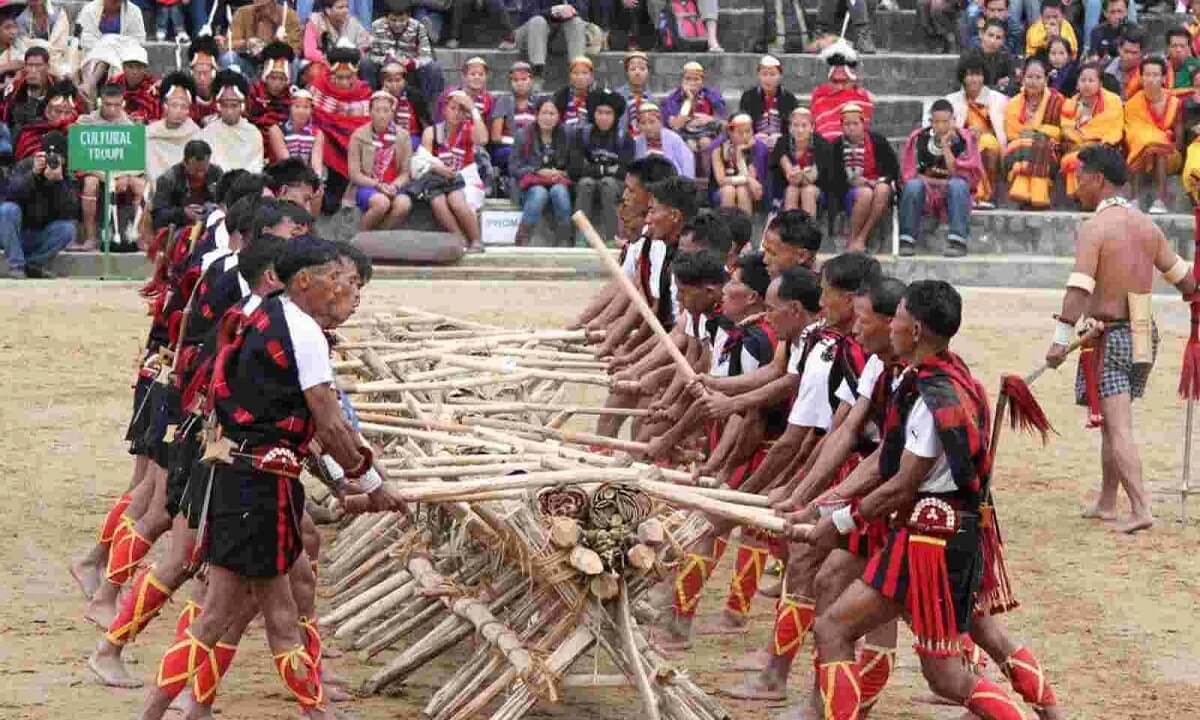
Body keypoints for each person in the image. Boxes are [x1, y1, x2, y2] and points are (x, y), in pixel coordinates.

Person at [137, 237, 404, 720]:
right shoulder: (301, 332)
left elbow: (297, 425)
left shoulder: (263, 314)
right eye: (334, 279)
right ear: (305, 280)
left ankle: (173, 712)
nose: (342, 291)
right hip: (258, 488)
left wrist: (348, 484)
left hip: (241, 478)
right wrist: (370, 485)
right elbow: (328, 423)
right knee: (252, 619)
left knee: (239, 614)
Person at [797, 280, 1032, 720]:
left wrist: (840, 521)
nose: (890, 329)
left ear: (916, 329)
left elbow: (901, 484)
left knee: (834, 628)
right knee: (948, 675)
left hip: (929, 543)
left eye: (898, 318)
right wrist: (823, 502)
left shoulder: (930, 393)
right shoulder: (945, 377)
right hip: (939, 535)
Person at [1046, 144, 1197, 534]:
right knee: (1116, 418)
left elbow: (1079, 290)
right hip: (1144, 327)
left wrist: (1061, 339)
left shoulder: (1095, 228)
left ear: (1097, 179)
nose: (1076, 185)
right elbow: (1187, 280)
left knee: (1118, 424)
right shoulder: (1148, 226)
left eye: (1080, 177)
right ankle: (1108, 500)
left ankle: (1141, 507)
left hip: (1112, 331)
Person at [899, 99, 983, 258]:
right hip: (927, 192)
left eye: (946, 122)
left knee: (957, 186)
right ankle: (907, 240)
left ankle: (958, 242)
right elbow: (912, 173)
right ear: (930, 122)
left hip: (953, 191)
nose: (941, 126)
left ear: (954, 120)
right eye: (936, 122)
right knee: (912, 186)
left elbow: (960, 175)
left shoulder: (965, 139)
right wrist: (939, 182)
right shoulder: (919, 138)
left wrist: (945, 146)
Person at [77, 83, 147, 251]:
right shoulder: (85, 123)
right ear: (101, 102)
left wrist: (126, 176)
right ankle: (91, 237)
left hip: (122, 175)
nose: (113, 110)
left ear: (122, 103)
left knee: (142, 186)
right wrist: (106, 176)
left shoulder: (131, 127)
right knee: (90, 183)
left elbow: (138, 164)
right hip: (96, 174)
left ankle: (138, 236)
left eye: (117, 105)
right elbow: (81, 161)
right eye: (108, 105)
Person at [0, 130, 77, 278]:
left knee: (67, 229)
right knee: (7, 210)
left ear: (65, 159)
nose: (51, 161)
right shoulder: (26, 166)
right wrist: (33, 175)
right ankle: (16, 266)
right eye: (47, 156)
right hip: (15, 234)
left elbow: (71, 211)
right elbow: (11, 192)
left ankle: (32, 265)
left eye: (57, 157)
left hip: (41, 235)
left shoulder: (67, 175)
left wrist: (59, 183)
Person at [417, 89, 486, 251]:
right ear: (444, 109)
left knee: (456, 198)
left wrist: (473, 110)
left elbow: (482, 139)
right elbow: (424, 161)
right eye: (453, 108)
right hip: (438, 178)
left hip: (465, 178)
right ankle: (459, 238)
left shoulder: (469, 128)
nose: (457, 113)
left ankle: (476, 240)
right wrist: (439, 168)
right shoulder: (431, 132)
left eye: (462, 110)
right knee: (437, 201)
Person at [832, 103, 898, 252]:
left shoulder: (878, 141)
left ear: (863, 123)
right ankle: (853, 239)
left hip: (877, 185)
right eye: (847, 124)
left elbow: (892, 170)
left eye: (855, 123)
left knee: (881, 190)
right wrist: (851, 182)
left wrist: (875, 181)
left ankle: (861, 237)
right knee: (865, 193)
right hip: (850, 191)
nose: (851, 127)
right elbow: (833, 178)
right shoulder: (836, 146)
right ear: (841, 126)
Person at [310, 46, 373, 204]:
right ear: (331, 74)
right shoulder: (319, 87)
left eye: (349, 77)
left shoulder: (364, 92)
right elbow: (314, 118)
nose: (345, 82)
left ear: (356, 74)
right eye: (340, 77)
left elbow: (363, 125)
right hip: (326, 147)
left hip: (349, 151)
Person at [569, 89, 632, 244]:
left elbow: (625, 171)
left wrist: (594, 169)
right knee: (585, 183)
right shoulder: (582, 135)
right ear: (593, 113)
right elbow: (575, 170)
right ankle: (581, 238)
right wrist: (605, 170)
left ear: (615, 115)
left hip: (614, 186)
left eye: (608, 113)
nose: (604, 117)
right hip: (588, 183)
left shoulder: (624, 137)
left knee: (608, 184)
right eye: (600, 112)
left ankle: (613, 238)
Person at [948, 53, 1008, 208]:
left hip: (990, 143)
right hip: (962, 144)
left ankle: (986, 195)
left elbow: (1003, 130)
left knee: (987, 143)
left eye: (977, 75)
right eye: (969, 75)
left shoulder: (999, 99)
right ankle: (972, 194)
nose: (974, 79)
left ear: (984, 76)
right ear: (962, 77)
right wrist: (966, 134)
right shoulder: (951, 100)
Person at [1004, 57, 1065, 209]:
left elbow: (1061, 131)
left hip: (1049, 148)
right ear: (1022, 79)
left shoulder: (1058, 100)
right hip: (1018, 148)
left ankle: (1037, 193)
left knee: (1038, 141)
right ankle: (1023, 190)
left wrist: (1036, 131)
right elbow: (1011, 132)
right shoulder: (1014, 103)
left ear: (1046, 80)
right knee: (1027, 141)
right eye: (1029, 77)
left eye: (1038, 77)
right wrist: (1033, 133)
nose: (1033, 81)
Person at [348, 91, 414, 231]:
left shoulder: (403, 136)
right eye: (377, 110)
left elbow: (405, 172)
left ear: (392, 113)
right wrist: (377, 185)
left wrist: (395, 186)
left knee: (404, 204)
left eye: (386, 110)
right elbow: (355, 174)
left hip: (393, 186)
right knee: (381, 203)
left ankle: (380, 234)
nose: (382, 115)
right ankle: (360, 236)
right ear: (370, 112)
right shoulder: (358, 136)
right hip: (368, 185)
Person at [1124, 57, 1182, 214]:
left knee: (1159, 149)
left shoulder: (1174, 102)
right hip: (1142, 154)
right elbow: (1132, 134)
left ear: (1164, 78)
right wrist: (1151, 142)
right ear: (1141, 78)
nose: (1151, 79)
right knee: (1143, 144)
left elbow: (1179, 136)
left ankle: (1160, 200)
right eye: (1147, 75)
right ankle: (1134, 199)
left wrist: (1168, 147)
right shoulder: (1132, 104)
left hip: (1168, 155)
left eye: (1155, 75)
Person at [511, 97, 572, 245]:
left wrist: (562, 173)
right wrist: (537, 171)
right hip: (529, 185)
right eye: (544, 113)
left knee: (559, 192)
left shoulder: (568, 135)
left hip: (558, 182)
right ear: (537, 115)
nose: (548, 117)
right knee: (539, 193)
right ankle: (523, 237)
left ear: (559, 116)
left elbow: (575, 166)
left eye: (552, 113)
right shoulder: (523, 134)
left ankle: (564, 238)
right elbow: (513, 167)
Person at [1061, 62, 1124, 198]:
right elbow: (1067, 130)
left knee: (1080, 160)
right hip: (1077, 147)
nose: (1087, 84)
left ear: (1100, 83)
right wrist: (1081, 140)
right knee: (1073, 159)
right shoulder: (1069, 104)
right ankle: (1079, 197)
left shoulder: (1113, 101)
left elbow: (1115, 129)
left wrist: (1089, 139)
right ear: (1077, 84)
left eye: (1091, 80)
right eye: (1083, 80)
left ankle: (1085, 197)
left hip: (1103, 148)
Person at [661, 61, 726, 190]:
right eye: (688, 79)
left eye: (696, 79)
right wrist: (689, 99)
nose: (692, 82)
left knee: (705, 142)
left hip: (708, 132)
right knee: (689, 144)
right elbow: (676, 125)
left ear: (702, 81)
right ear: (682, 80)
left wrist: (709, 119)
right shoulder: (673, 99)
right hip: (683, 133)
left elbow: (723, 122)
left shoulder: (712, 96)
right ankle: (689, 183)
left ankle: (708, 184)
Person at [367, 0, 445, 102]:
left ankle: (430, 106)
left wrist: (412, 63)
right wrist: (385, 60)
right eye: (393, 20)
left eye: (402, 20)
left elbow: (427, 56)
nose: (398, 24)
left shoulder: (418, 27)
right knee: (366, 63)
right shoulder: (376, 26)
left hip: (410, 69)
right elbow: (371, 54)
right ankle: (369, 99)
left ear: (409, 17)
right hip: (384, 67)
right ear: (386, 18)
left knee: (434, 68)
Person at [269, 89, 327, 216]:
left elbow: (316, 162)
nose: (301, 111)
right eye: (297, 106)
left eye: (306, 107)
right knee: (296, 193)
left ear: (311, 110)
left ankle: (311, 227)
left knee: (318, 191)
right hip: (283, 175)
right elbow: (286, 160)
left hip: (306, 177)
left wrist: (316, 182)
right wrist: (301, 184)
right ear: (290, 108)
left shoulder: (317, 133)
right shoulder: (277, 130)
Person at [77, 0, 146, 103]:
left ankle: (90, 83)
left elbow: (138, 40)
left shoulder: (134, 11)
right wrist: (104, 45)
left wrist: (112, 43)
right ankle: (91, 109)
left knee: (109, 42)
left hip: (123, 54)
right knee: (99, 57)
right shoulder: (89, 10)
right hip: (93, 53)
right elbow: (85, 38)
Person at [199, 69, 266, 174]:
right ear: (218, 105)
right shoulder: (207, 134)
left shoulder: (253, 134)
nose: (229, 111)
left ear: (242, 105)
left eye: (234, 105)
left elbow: (255, 172)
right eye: (225, 105)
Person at [772, 107, 835, 215]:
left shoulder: (822, 145)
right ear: (790, 127)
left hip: (818, 189)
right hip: (789, 186)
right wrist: (793, 174)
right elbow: (791, 176)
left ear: (812, 127)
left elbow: (810, 178)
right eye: (795, 125)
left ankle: (808, 230)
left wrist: (798, 174)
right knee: (792, 190)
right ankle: (790, 230)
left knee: (807, 191)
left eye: (804, 125)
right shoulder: (782, 143)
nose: (800, 130)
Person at [146, 72, 202, 191]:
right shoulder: (149, 134)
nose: (178, 111)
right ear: (164, 105)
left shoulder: (197, 136)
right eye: (174, 105)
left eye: (183, 106)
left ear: (189, 109)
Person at [151, 140, 223, 230]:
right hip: (179, 228)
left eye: (204, 170)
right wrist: (183, 213)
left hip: (210, 225)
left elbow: (227, 203)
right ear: (185, 163)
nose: (200, 174)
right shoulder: (168, 179)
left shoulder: (216, 173)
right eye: (196, 170)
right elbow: (157, 217)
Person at [490, 61, 538, 196]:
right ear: (510, 82)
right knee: (511, 154)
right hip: (508, 148)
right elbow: (495, 136)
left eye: (524, 79)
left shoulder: (538, 101)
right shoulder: (503, 101)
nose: (520, 83)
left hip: (533, 149)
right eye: (515, 80)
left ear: (531, 80)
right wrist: (519, 143)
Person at [811, 42, 875, 143]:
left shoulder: (862, 98)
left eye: (844, 82)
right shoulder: (820, 96)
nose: (839, 87)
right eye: (835, 81)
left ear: (852, 80)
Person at [513, 0, 588, 81]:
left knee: (576, 22)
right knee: (538, 21)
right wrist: (553, 11)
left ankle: (578, 72)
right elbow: (528, 13)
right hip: (530, 34)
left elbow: (584, 11)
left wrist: (571, 10)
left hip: (558, 35)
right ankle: (537, 73)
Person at [226, 0, 303, 78]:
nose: (260, 10)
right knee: (228, 58)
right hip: (249, 62)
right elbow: (230, 44)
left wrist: (278, 44)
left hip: (278, 63)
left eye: (264, 6)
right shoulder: (242, 13)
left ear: (274, 3)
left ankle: (287, 88)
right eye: (257, 7)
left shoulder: (289, 16)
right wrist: (246, 44)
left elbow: (295, 50)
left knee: (294, 61)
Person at [711, 114, 767, 214]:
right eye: (740, 133)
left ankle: (745, 227)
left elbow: (753, 177)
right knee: (729, 190)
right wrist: (747, 180)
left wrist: (740, 154)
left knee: (742, 190)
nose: (745, 136)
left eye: (748, 131)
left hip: (752, 191)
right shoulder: (718, 149)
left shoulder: (758, 147)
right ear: (730, 133)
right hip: (722, 191)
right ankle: (726, 227)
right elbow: (721, 180)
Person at [249, 42, 296, 160]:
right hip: (257, 139)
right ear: (265, 75)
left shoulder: (292, 94)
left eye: (282, 79)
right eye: (273, 78)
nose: (277, 83)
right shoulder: (254, 91)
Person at [12, 78, 78, 161]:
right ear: (47, 110)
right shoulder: (31, 132)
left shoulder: (80, 131)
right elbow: (25, 166)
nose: (63, 118)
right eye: (58, 111)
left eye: (68, 113)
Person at [0, 46, 56, 141]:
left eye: (38, 65)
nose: (33, 70)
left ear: (47, 67)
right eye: (30, 65)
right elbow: (8, 118)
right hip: (19, 138)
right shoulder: (14, 88)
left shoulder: (58, 86)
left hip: (50, 135)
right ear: (25, 67)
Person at [302, 0, 371, 76]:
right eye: (340, 7)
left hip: (349, 62)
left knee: (366, 63)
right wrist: (331, 60)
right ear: (328, 10)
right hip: (325, 62)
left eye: (347, 7)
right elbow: (309, 52)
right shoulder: (315, 21)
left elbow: (363, 47)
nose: (346, 11)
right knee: (315, 71)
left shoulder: (352, 22)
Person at [633, 102, 696, 179]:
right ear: (638, 126)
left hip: (672, 183)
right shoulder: (637, 142)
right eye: (643, 123)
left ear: (660, 122)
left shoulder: (674, 139)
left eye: (652, 122)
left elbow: (687, 163)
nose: (648, 127)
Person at [17, 0, 74, 79]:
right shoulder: (21, 20)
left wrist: (37, 44)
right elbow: (24, 48)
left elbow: (60, 45)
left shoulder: (58, 14)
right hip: (33, 59)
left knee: (69, 71)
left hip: (58, 57)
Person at [966, 19, 1018, 95]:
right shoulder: (970, 56)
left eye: (998, 38)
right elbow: (971, 88)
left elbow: (1013, 83)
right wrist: (997, 86)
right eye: (990, 35)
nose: (993, 41)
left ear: (1003, 41)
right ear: (981, 34)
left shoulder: (1005, 55)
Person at [438, 56, 495, 125]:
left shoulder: (489, 99)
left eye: (481, 74)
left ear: (486, 77)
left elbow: (488, 125)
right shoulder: (450, 94)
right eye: (472, 74)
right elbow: (441, 121)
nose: (477, 77)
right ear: (464, 76)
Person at [112, 43, 160, 124]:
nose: (135, 72)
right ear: (123, 67)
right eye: (130, 67)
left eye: (139, 67)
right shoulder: (114, 83)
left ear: (145, 69)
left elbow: (155, 116)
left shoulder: (154, 87)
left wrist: (143, 120)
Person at [1104, 27, 1153, 100]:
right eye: (1126, 51)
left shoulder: (1150, 74)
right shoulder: (1103, 69)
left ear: (1143, 53)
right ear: (1119, 49)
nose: (1129, 57)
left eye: (1134, 53)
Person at [553, 55, 598, 133]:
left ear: (591, 77)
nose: (580, 77)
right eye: (575, 73)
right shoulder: (560, 95)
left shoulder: (599, 97)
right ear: (570, 76)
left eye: (584, 73)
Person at [616, 50, 652, 140]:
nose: (637, 73)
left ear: (648, 72)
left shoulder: (651, 99)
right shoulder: (617, 96)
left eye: (642, 69)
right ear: (626, 72)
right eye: (632, 69)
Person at [188, 35, 219, 125]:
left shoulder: (226, 93)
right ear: (191, 71)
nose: (202, 78)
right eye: (198, 71)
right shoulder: (182, 95)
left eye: (206, 71)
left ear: (215, 71)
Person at [1168, 27, 1200, 91]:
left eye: (1182, 46)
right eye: (1174, 46)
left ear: (1189, 47)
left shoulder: (1197, 65)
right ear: (1168, 47)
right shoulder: (1160, 66)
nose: (1178, 50)